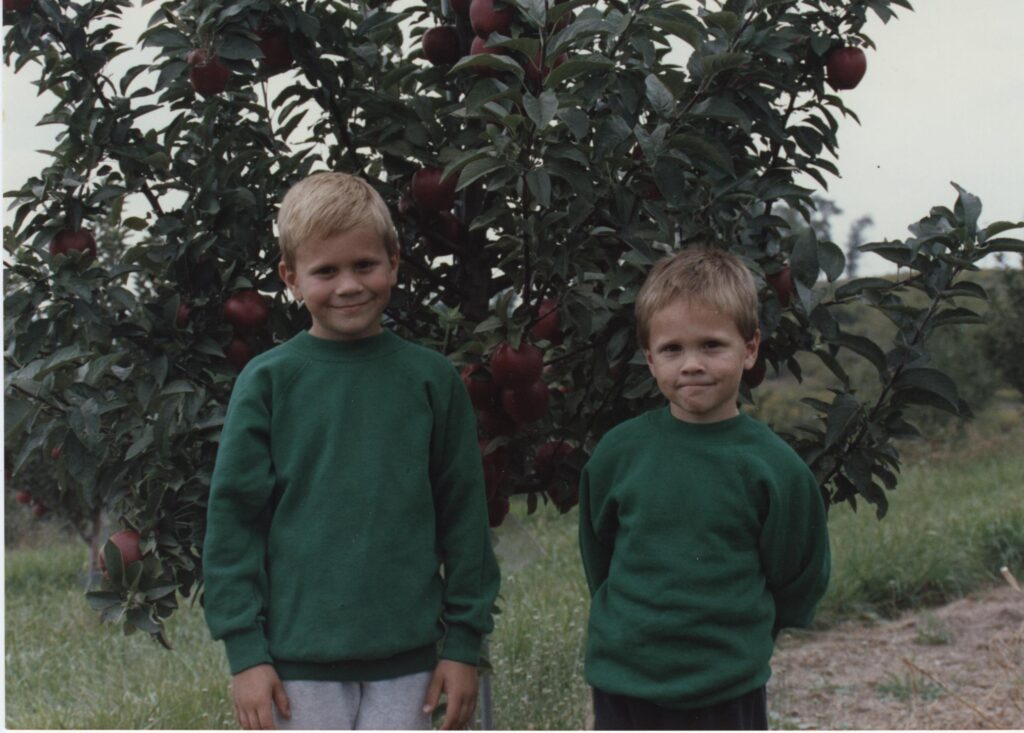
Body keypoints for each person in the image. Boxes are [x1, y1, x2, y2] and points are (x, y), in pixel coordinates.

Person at [203, 172, 500, 731]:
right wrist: (245, 653)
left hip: (410, 660)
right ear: (291, 278)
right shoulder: (268, 383)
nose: (348, 286)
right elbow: (234, 524)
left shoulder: (431, 380)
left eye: (364, 265)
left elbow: (464, 517)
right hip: (296, 665)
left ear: (393, 261)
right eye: (325, 271)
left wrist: (464, 643)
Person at [578, 246, 831, 730]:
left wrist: (744, 643)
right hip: (624, 681)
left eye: (712, 345)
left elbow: (798, 576)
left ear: (750, 348)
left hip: (726, 686)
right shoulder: (618, 454)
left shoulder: (775, 468)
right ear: (650, 358)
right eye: (672, 349)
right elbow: (599, 556)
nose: (691, 364)